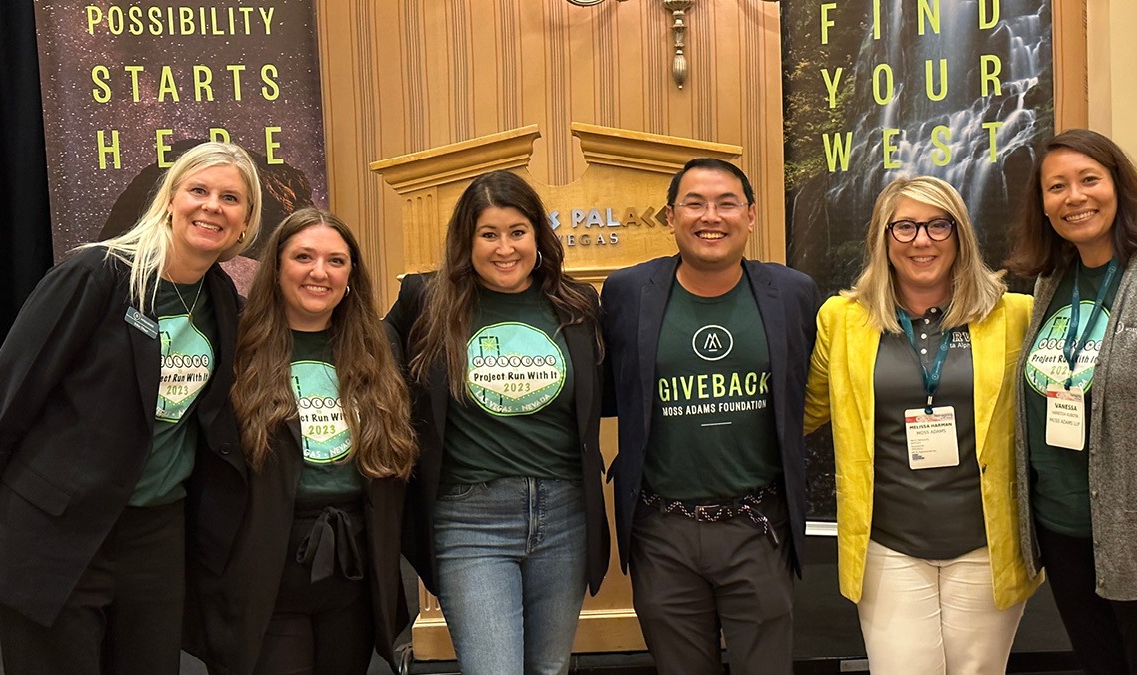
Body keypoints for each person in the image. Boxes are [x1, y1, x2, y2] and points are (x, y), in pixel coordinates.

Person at [0, 141, 260, 675]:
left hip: (156, 538)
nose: (212, 207)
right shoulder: (96, 274)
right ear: (169, 200)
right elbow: (9, 394)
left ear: (246, 222)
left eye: (230, 198)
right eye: (198, 191)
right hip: (56, 535)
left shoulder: (224, 303)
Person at [804, 176, 1040, 673]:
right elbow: (802, 413)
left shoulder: (1015, 315)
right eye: (905, 227)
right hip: (888, 546)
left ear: (959, 235)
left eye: (938, 225)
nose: (922, 240)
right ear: (883, 238)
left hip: (985, 545)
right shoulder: (843, 320)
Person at [385, 170, 609, 675]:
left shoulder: (577, 304)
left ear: (537, 236)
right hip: (470, 519)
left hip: (564, 515)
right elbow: (364, 349)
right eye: (488, 234)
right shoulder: (426, 301)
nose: (504, 248)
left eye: (517, 232)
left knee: (549, 669)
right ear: (467, 241)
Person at [601, 157, 819, 674]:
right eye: (694, 204)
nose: (710, 216)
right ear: (670, 217)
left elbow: (812, 391)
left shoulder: (792, 293)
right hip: (662, 529)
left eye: (726, 203)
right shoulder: (628, 292)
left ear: (751, 215)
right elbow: (611, 392)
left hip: (758, 525)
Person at [184, 208, 418, 674]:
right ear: (276, 268)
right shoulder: (236, 347)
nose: (319, 272)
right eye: (304, 257)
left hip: (351, 569)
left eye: (336, 261)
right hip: (263, 570)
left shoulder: (378, 348)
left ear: (351, 275)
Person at [1006, 128, 1137, 674]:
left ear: (1119, 185)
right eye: (1056, 187)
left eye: (1089, 179)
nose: (1075, 197)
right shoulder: (1051, 280)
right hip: (1062, 529)